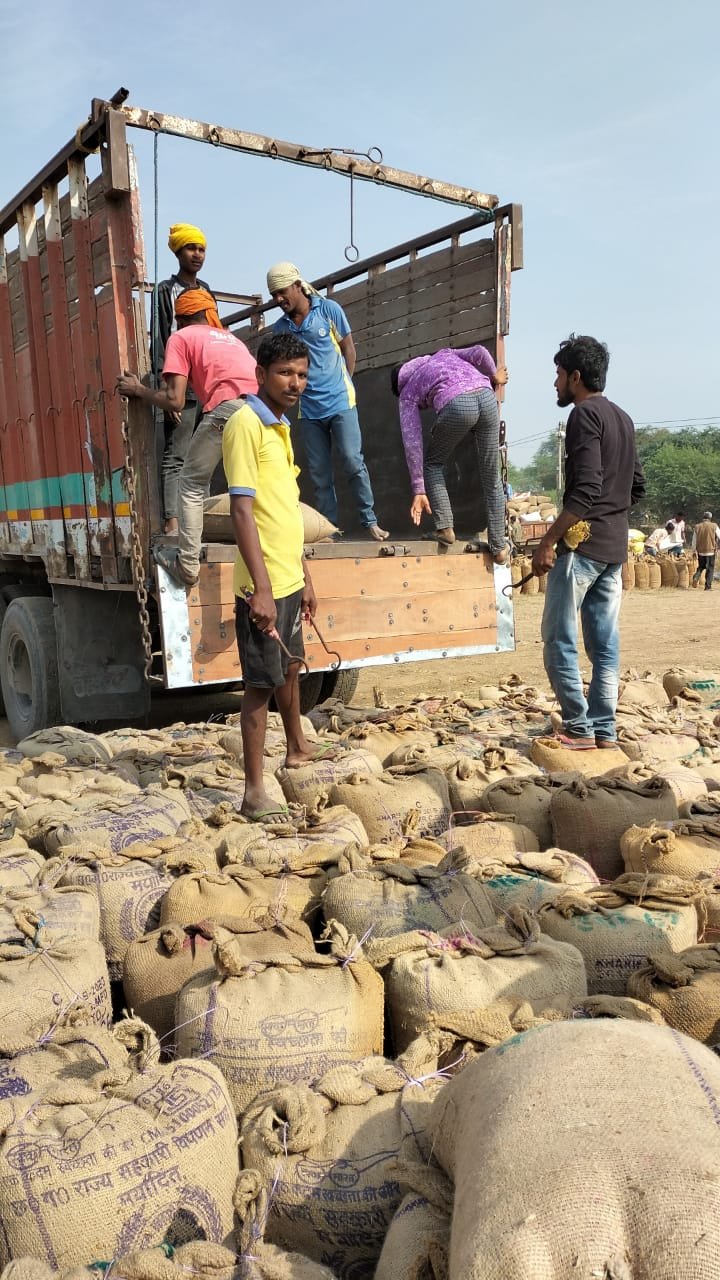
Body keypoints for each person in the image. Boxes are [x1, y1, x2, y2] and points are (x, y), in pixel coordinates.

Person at [222, 332, 344, 821]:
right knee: (259, 684)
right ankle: (253, 792)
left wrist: (303, 576)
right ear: (261, 375)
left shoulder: (281, 426)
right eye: (285, 374)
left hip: (288, 577)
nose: (295, 383)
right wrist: (264, 588)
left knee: (291, 667)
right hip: (262, 584)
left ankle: (296, 746)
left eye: (301, 375)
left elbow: (286, 510)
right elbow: (242, 509)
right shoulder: (245, 424)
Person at [531, 334, 645, 749]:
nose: (556, 383)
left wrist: (548, 541)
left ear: (576, 376)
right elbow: (636, 486)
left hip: (581, 551)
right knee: (604, 645)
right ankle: (604, 730)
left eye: (559, 375)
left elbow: (586, 490)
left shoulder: (584, 416)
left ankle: (578, 729)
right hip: (613, 552)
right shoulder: (624, 418)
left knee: (559, 639)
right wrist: (611, 517)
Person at [117, 289, 258, 585]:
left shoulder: (181, 338)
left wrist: (140, 391)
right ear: (210, 313)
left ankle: (188, 564)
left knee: (191, 483)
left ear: (180, 319)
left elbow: (175, 400)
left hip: (226, 411)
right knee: (253, 489)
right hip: (261, 413)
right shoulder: (233, 339)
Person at [266, 261, 388, 540]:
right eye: (274, 295)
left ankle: (370, 521)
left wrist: (345, 382)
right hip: (308, 410)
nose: (278, 299)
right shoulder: (280, 327)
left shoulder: (329, 310)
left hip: (340, 402)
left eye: (282, 291)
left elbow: (349, 349)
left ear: (297, 286)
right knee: (319, 474)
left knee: (352, 461)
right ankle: (329, 531)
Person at [390, 345, 509, 558]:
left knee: (432, 464)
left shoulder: (407, 391)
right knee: (492, 477)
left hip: (458, 405)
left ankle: (445, 528)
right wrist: (494, 376)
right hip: (486, 396)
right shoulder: (444, 354)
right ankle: (499, 546)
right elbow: (480, 352)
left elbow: (412, 440)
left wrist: (418, 488)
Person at [153, 223, 214, 535]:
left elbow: (216, 335)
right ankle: (173, 522)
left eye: (201, 249)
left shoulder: (206, 290)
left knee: (201, 457)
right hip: (180, 381)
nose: (197, 254)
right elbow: (161, 340)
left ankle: (201, 520)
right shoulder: (165, 290)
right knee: (176, 456)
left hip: (205, 384)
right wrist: (166, 388)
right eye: (191, 248)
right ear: (178, 252)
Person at [692, 511, 720, 590]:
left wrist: (694, 550)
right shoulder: (714, 526)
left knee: (701, 566)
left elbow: (694, 540)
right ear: (710, 518)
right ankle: (708, 587)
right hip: (710, 551)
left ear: (703, 517)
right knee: (710, 569)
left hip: (700, 551)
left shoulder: (697, 526)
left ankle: (696, 577)